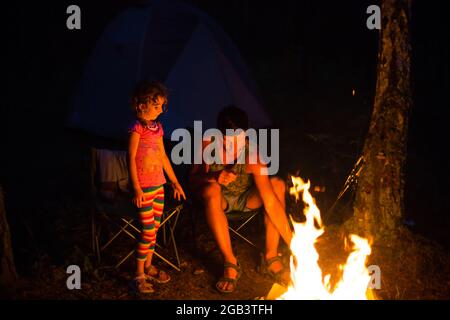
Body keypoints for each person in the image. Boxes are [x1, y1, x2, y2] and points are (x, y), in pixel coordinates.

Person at [189, 106, 292, 293]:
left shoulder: (252, 153)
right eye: (228, 141)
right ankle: (230, 262)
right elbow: (192, 180)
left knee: (276, 184)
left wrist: (295, 244)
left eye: (239, 140)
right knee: (212, 189)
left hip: (245, 199)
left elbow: (270, 201)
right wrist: (214, 176)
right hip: (217, 199)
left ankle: (271, 256)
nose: (233, 146)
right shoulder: (207, 144)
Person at [128, 80, 186, 293]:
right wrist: (136, 188)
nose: (161, 110)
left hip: (159, 186)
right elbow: (131, 157)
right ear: (141, 106)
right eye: (156, 105)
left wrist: (175, 182)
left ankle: (149, 265)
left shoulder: (157, 128)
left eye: (162, 106)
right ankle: (138, 274)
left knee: (155, 229)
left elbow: (162, 156)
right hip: (143, 188)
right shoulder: (136, 128)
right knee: (147, 231)